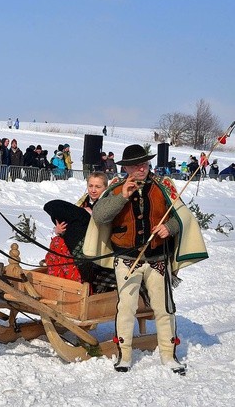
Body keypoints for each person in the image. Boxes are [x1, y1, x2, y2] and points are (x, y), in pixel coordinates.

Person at [84, 144, 208, 374]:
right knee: (127, 308)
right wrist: (122, 196)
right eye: (135, 165)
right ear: (127, 168)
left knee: (164, 308)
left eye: (144, 163)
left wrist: (169, 228)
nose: (141, 168)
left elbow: (182, 215)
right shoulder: (116, 187)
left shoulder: (164, 186)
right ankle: (124, 355)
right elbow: (100, 216)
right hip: (126, 259)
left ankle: (169, 356)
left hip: (157, 258)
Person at [43, 172, 115, 292]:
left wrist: (93, 216)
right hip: (78, 242)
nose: (93, 190)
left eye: (98, 187)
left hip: (100, 245)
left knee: (65, 248)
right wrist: (58, 230)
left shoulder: (109, 203)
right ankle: (58, 285)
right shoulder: (83, 202)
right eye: (90, 186)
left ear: (105, 187)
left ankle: (76, 287)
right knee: (57, 243)